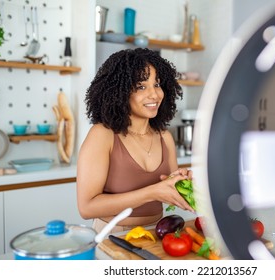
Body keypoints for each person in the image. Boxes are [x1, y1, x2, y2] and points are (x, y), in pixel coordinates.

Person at [77, 48, 194, 234]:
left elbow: (171, 191)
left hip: (159, 231)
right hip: (114, 233)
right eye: (141, 87)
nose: (154, 95)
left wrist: (183, 183)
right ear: (119, 92)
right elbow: (87, 208)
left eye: (157, 84)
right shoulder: (103, 135)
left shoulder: (165, 136)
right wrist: (152, 192)